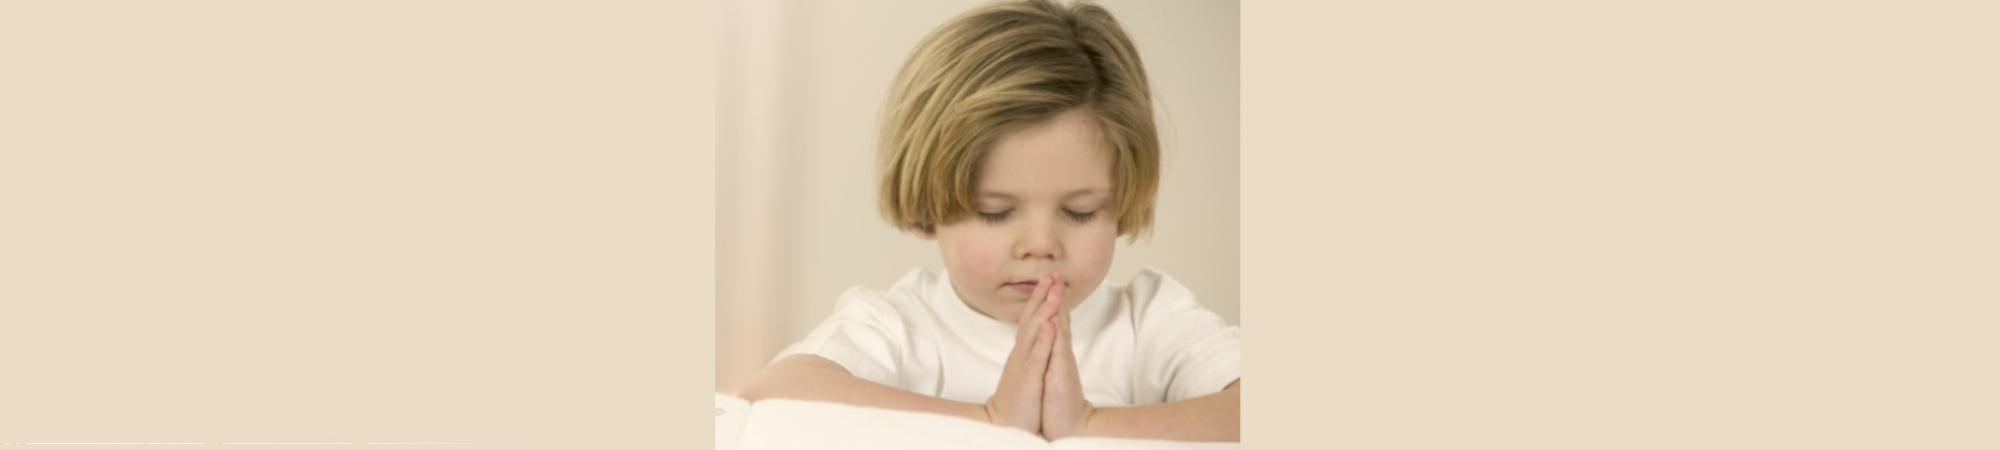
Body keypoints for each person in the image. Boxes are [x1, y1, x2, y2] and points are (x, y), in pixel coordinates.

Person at [736, 0, 1239, 442]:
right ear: (927, 209)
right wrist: (992, 418)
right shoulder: (899, 327)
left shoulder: (1148, 321)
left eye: (1080, 212)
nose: (1041, 244)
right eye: (995, 212)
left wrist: (1087, 424)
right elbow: (770, 394)